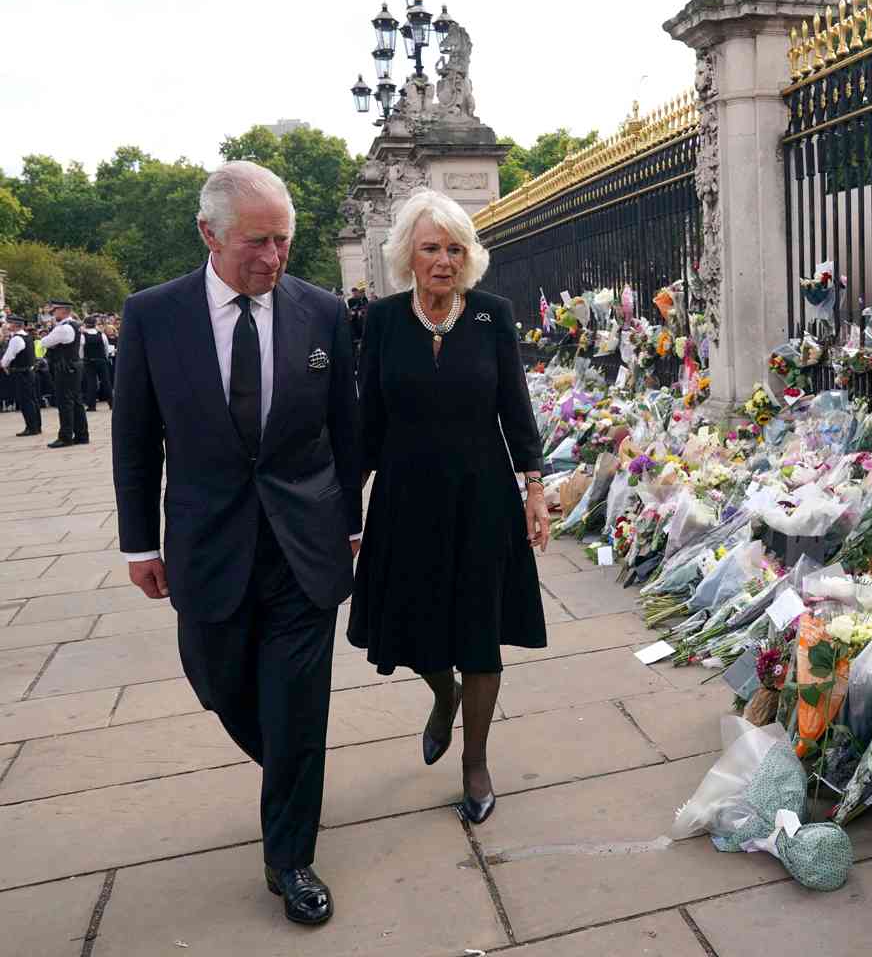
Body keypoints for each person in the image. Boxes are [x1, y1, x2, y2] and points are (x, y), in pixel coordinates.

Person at [112, 161, 361, 927]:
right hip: (206, 542)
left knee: (297, 706)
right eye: (256, 241)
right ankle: (289, 771)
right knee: (218, 681)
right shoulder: (154, 316)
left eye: (283, 240)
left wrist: (350, 521)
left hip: (304, 543)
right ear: (208, 233)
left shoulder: (320, 313)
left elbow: (346, 432)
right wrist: (137, 544)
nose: (273, 258)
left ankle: (289, 856)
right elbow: (134, 438)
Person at [349, 188, 548, 825]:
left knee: (480, 630)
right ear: (408, 253)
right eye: (431, 247)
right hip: (406, 497)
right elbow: (367, 417)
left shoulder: (491, 315)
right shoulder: (380, 320)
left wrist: (535, 488)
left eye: (455, 248)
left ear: (470, 256)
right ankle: (443, 695)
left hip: (483, 494)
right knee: (420, 626)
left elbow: (515, 406)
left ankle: (475, 760)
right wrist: (348, 500)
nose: (443, 259)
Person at [40, 301, 87, 447]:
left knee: (64, 402)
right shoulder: (75, 326)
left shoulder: (63, 328)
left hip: (65, 366)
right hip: (74, 364)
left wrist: (53, 341)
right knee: (76, 401)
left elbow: (44, 342)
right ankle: (81, 434)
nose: (53, 313)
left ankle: (65, 436)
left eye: (55, 311)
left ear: (63, 311)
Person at [2, 317, 42, 436]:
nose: (8, 325)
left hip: (21, 372)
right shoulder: (28, 336)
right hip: (29, 371)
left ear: (15, 325)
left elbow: (9, 356)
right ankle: (36, 426)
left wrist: (3, 364)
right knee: (33, 399)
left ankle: (31, 427)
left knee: (26, 401)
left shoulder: (16, 339)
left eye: (10, 323)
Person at [82, 316, 114, 410]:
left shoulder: (83, 336)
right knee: (106, 382)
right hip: (101, 360)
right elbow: (106, 348)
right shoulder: (101, 335)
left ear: (85, 324)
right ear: (95, 324)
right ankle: (112, 403)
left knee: (91, 383)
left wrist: (83, 358)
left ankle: (92, 406)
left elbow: (81, 350)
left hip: (89, 361)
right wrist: (105, 358)